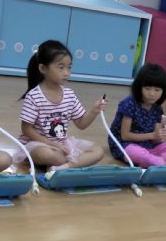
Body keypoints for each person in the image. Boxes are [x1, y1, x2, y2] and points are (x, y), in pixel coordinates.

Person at [17, 39, 106, 173]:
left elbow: (81, 124)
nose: (66, 72)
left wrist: (94, 111)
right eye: (61, 67)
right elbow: (26, 129)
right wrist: (51, 144)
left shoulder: (69, 94)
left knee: (98, 151)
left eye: (69, 67)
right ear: (43, 69)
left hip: (62, 144)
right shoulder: (34, 96)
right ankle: (63, 163)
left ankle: (63, 167)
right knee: (49, 154)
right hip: (38, 144)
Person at [107, 63, 166, 167]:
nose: (152, 94)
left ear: (163, 91)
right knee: (134, 152)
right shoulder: (129, 103)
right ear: (139, 87)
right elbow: (125, 136)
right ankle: (161, 163)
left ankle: (155, 161)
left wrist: (163, 126)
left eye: (157, 90)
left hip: (150, 147)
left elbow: (156, 140)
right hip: (125, 145)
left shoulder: (157, 108)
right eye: (147, 88)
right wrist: (151, 135)